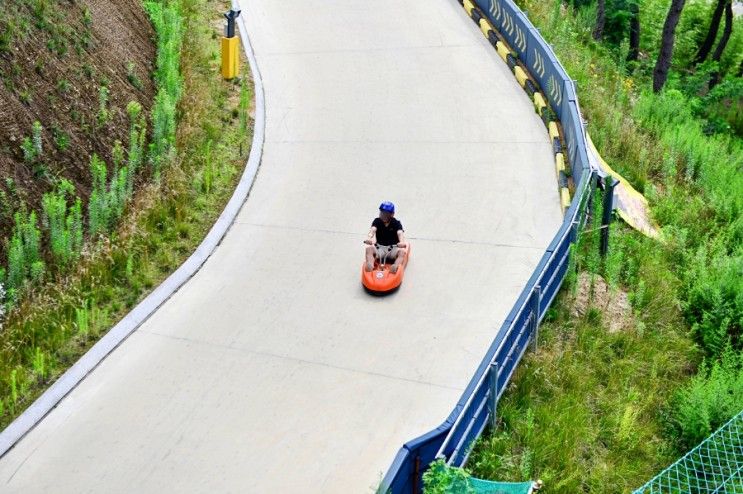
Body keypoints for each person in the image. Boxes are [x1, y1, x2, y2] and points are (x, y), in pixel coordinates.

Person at [364, 202, 407, 273]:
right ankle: (370, 266)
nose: (383, 215)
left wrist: (401, 242)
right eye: (382, 213)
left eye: (386, 214)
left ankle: (395, 266)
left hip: (393, 248)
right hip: (379, 248)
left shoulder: (396, 223)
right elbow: (372, 230)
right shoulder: (377, 221)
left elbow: (400, 233)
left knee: (402, 253)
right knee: (369, 249)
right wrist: (369, 238)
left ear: (392, 214)